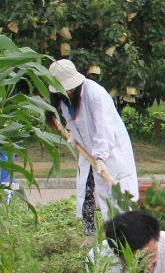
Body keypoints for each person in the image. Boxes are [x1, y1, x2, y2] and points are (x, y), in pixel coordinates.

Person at [48, 59, 138, 236]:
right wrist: (73, 135)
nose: (68, 91)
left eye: (69, 88)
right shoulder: (63, 99)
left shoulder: (95, 95)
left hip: (110, 150)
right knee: (90, 192)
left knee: (118, 195)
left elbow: (103, 128)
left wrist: (100, 158)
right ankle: (97, 235)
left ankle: (127, 237)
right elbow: (75, 121)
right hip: (87, 150)